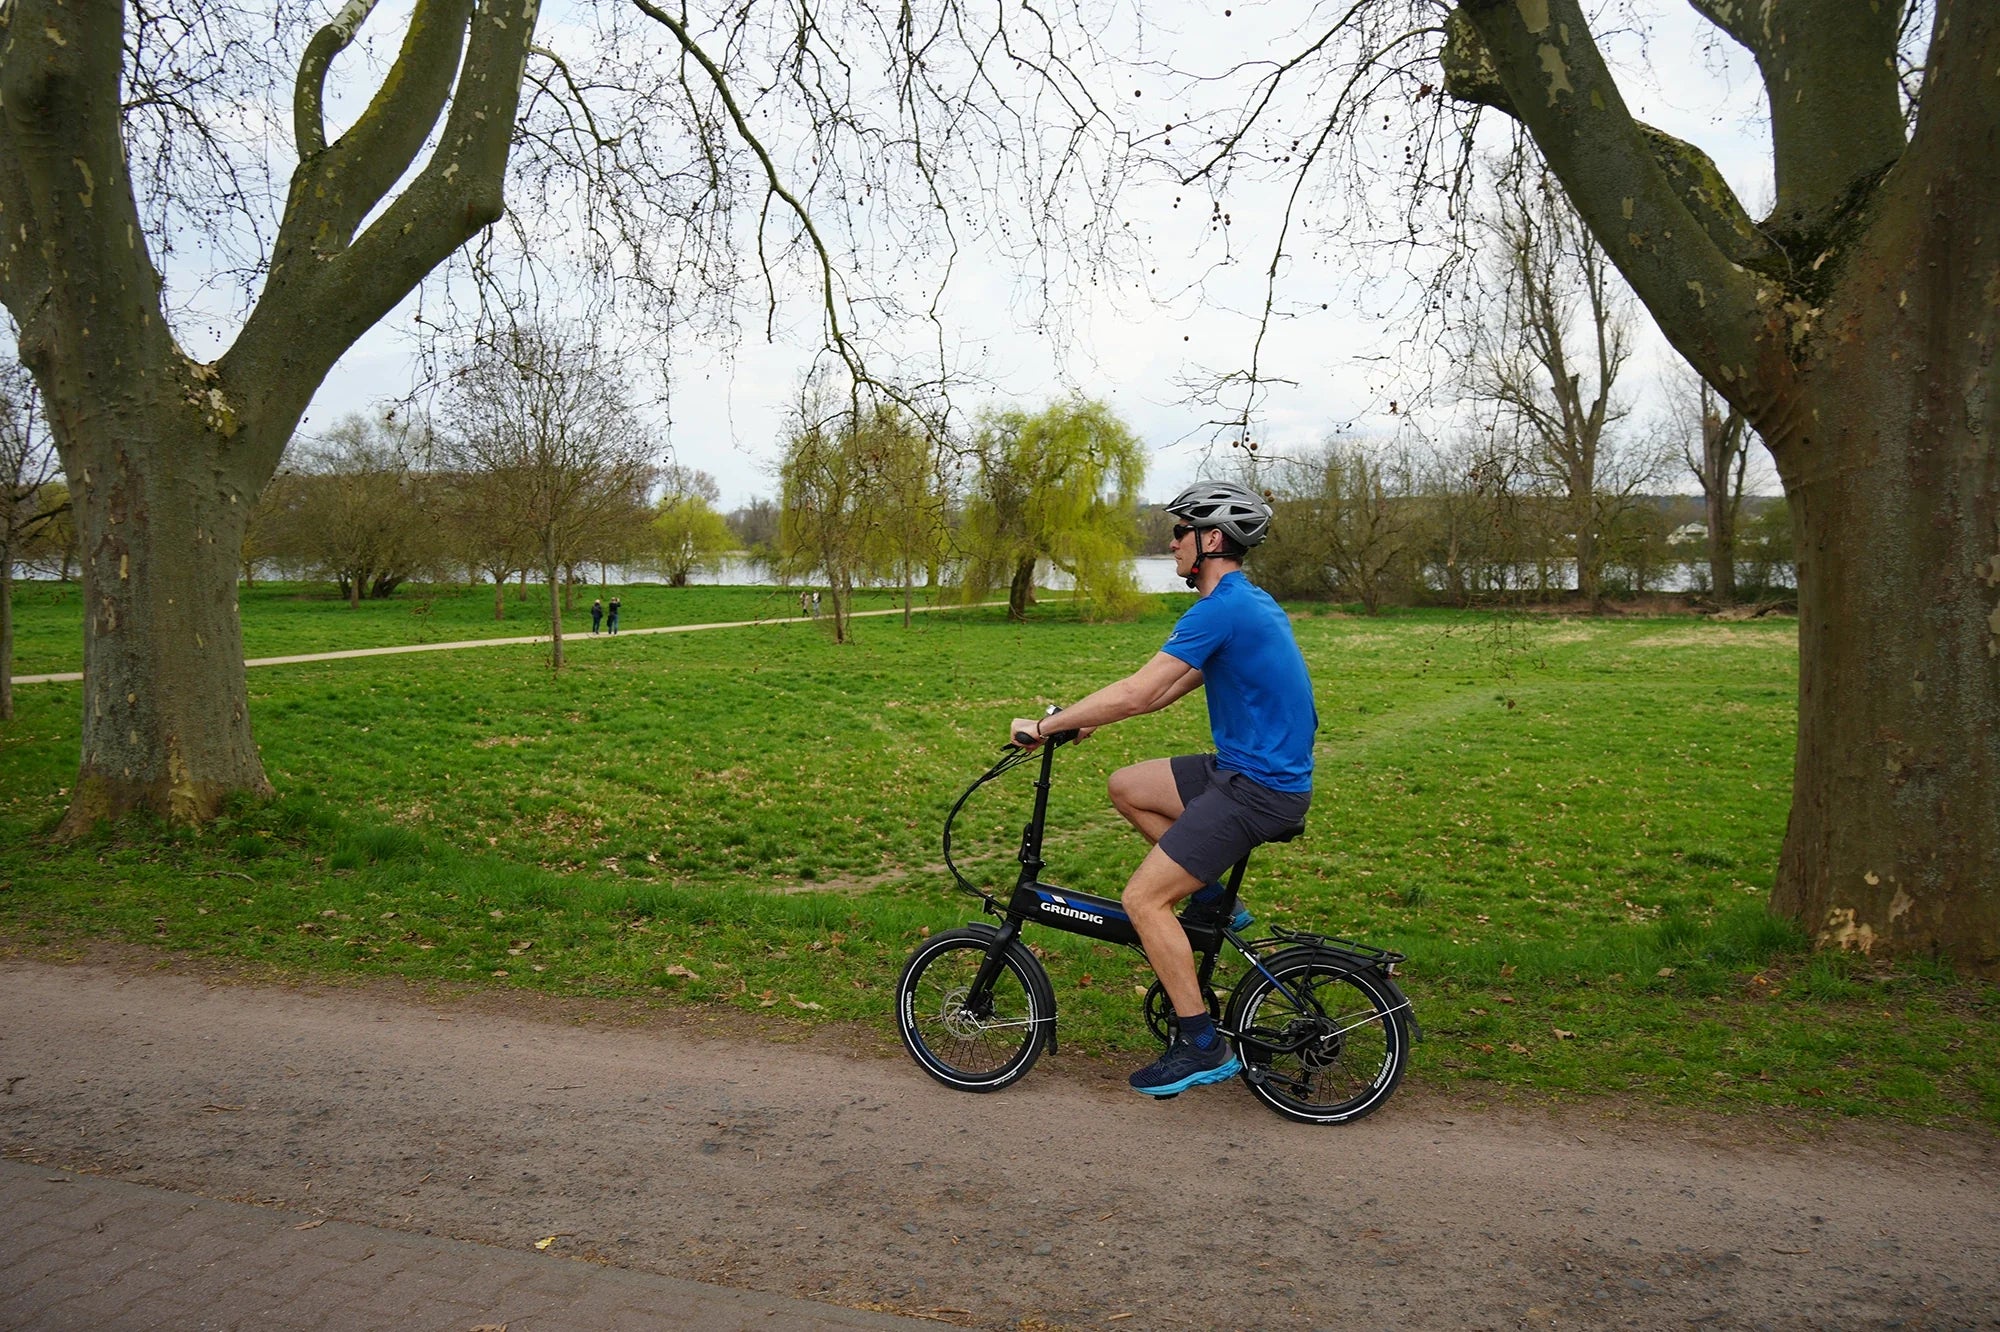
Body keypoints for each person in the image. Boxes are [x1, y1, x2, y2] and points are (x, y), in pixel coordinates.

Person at [1008, 480, 1317, 1099]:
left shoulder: (1221, 608)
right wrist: (1086, 717)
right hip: (1244, 769)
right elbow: (1174, 685)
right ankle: (1208, 897)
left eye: (1179, 532)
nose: (1170, 541)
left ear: (1212, 540)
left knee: (1145, 901)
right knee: (1127, 785)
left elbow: (1139, 689)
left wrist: (1044, 726)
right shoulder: (1247, 604)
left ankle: (1199, 1040)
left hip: (1257, 788)